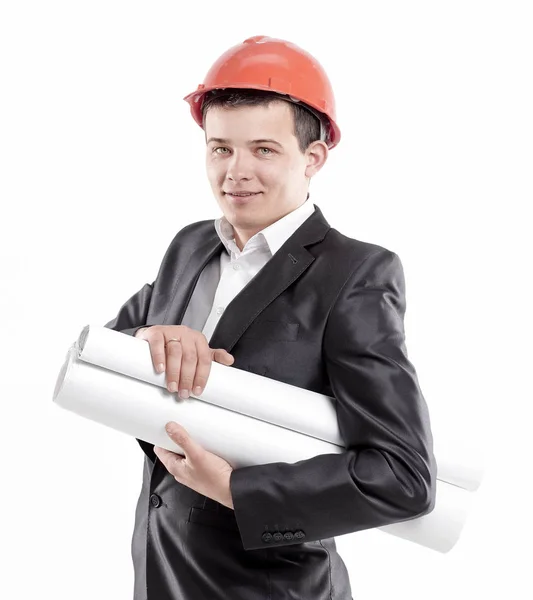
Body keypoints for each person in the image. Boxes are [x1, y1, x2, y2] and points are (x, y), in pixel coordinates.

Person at [104, 35, 437, 600]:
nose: (235, 172)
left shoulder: (355, 274)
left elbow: (402, 478)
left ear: (313, 157)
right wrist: (148, 337)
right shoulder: (190, 247)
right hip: (161, 573)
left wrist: (239, 489)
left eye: (263, 150)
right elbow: (107, 351)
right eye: (220, 148)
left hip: (269, 588)